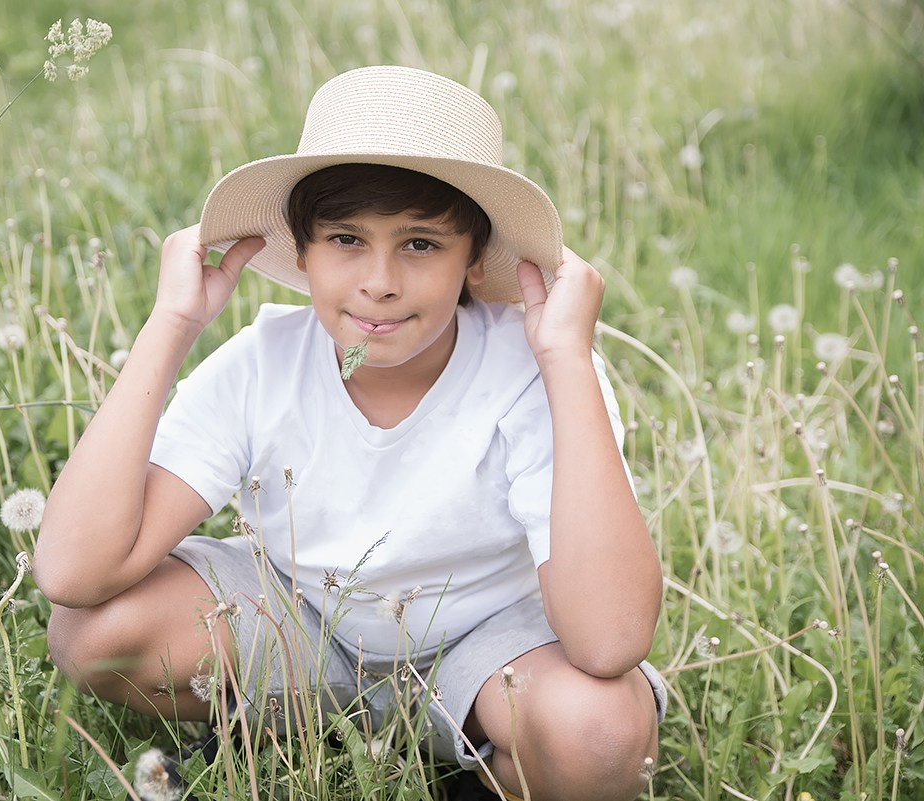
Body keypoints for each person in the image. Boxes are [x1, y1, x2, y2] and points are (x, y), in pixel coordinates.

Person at [34, 65, 666, 801]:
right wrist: (171, 326)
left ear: (475, 260)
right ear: (301, 253)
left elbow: (609, 640)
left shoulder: (534, 367)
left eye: (422, 244)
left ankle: (481, 778)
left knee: (602, 732)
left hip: (492, 643)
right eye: (346, 239)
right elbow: (73, 575)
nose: (380, 280)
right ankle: (284, 727)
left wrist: (565, 360)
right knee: (94, 632)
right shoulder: (263, 364)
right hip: (307, 623)